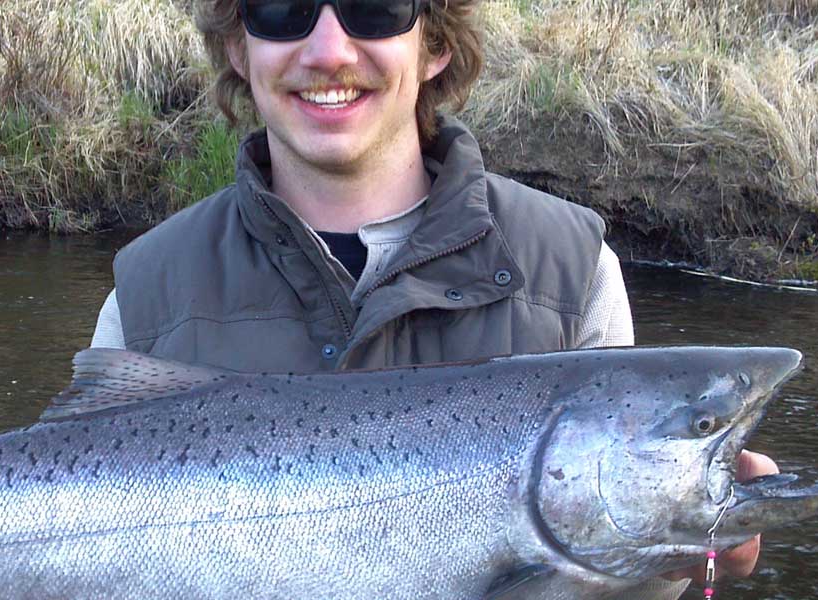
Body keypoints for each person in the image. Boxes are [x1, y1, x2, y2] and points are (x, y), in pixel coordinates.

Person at [89, 0, 774, 587]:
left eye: (376, 7)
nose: (328, 50)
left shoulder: (574, 271)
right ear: (240, 45)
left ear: (436, 44)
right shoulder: (147, 293)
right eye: (282, 7)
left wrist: (681, 565)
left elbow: (595, 564)